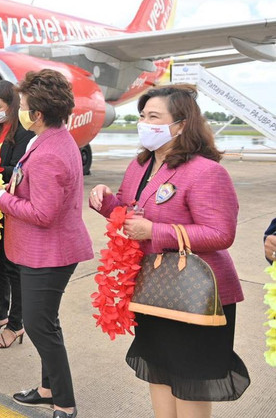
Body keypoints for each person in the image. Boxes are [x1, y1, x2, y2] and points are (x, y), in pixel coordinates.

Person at [89, 84, 249, 418]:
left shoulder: (206, 172)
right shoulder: (140, 165)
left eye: (154, 117)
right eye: (142, 116)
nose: (144, 123)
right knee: (159, 369)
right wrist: (108, 204)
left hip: (196, 292)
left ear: (181, 125)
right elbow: (131, 211)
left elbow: (221, 233)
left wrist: (156, 232)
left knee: (189, 379)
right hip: (154, 288)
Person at [0, 69, 93, 418]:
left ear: (38, 114)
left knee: (40, 325)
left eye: (24, 106)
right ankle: (48, 388)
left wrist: (0, 197)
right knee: (45, 322)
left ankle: (64, 401)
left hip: (49, 251)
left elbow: (43, 213)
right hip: (47, 248)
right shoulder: (54, 138)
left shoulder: (48, 152)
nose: (20, 111)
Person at [0, 79, 33, 349]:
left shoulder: (23, 131)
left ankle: (17, 322)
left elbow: (20, 169)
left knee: (13, 268)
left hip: (11, 203)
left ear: (12, 106)